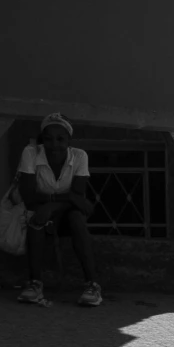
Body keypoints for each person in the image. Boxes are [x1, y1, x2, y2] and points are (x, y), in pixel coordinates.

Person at [16, 113, 103, 307]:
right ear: (42, 140)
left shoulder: (80, 156)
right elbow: (29, 197)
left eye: (60, 139)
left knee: (77, 219)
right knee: (37, 219)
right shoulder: (30, 153)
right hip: (41, 211)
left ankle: (92, 285)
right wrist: (69, 197)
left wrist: (51, 204)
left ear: (69, 140)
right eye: (48, 139)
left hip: (65, 214)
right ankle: (34, 284)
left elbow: (78, 196)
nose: (54, 144)